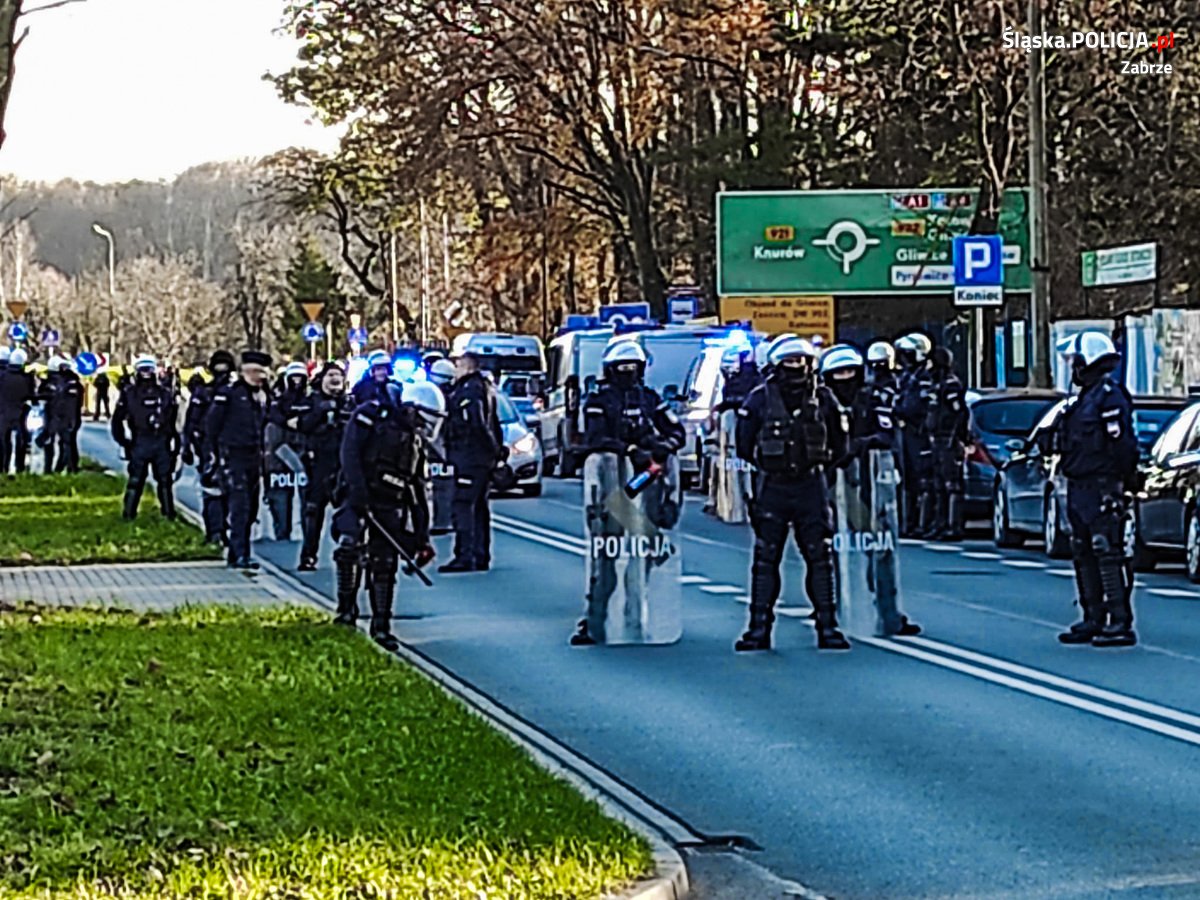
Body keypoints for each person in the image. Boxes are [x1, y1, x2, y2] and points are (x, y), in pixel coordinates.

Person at [735, 336, 849, 652]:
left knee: (819, 559)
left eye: (800, 361)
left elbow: (840, 444)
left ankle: (828, 627)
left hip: (810, 487)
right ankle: (759, 629)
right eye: (789, 362)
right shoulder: (759, 400)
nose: (795, 368)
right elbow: (744, 444)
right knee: (766, 560)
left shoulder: (824, 399)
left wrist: (819, 468)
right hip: (773, 486)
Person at [571, 339, 685, 645]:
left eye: (633, 368)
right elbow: (595, 439)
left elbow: (677, 431)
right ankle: (594, 620)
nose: (628, 374)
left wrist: (665, 446)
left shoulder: (649, 399)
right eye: (622, 369)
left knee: (643, 559)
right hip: (612, 491)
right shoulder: (598, 400)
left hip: (646, 486)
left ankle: (637, 616)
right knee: (604, 560)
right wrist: (628, 449)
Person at [332, 379, 440, 649]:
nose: (425, 426)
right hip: (358, 495)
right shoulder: (371, 415)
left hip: (390, 503)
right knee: (349, 548)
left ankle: (381, 625)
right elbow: (349, 453)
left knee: (384, 564)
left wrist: (422, 537)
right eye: (424, 418)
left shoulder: (414, 444)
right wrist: (357, 493)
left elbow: (417, 489)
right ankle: (345, 611)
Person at [822, 344, 920, 637]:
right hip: (831, 484)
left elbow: (887, 434)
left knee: (881, 549)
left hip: (872, 483)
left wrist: (860, 445)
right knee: (830, 550)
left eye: (850, 371)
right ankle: (832, 611)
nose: (845, 378)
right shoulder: (819, 403)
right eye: (838, 373)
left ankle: (888, 612)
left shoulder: (872, 399)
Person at [1053, 332, 1138, 647]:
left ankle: (1119, 621)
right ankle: (1092, 617)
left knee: (1106, 551)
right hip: (1079, 484)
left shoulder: (1109, 397)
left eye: (1075, 361)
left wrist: (1123, 482)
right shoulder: (1082, 399)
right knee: (1082, 550)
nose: (1073, 369)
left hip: (1102, 485)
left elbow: (1122, 445)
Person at [439, 351, 505, 573]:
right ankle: (480, 554)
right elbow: (494, 423)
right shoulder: (485, 388)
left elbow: (477, 423)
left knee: (463, 505)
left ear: (468, 367)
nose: (454, 371)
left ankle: (465, 555)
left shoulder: (470, 390)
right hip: (478, 458)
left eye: (458, 366)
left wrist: (492, 451)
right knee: (479, 507)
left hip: (470, 456)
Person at [206, 351, 272, 570]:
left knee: (251, 508)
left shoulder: (264, 396)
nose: (257, 377)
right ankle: (240, 554)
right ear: (243, 372)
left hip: (255, 457)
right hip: (233, 456)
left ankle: (237, 553)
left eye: (261, 372)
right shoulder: (229, 394)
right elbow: (211, 425)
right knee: (240, 507)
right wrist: (212, 455)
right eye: (252, 372)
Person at [296, 361, 350, 571]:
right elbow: (302, 425)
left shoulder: (349, 402)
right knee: (313, 513)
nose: (335, 379)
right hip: (318, 464)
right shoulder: (311, 401)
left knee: (348, 512)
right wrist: (320, 412)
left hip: (344, 466)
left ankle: (348, 553)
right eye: (330, 375)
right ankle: (309, 555)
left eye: (338, 375)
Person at [111, 355, 179, 520]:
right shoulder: (129, 394)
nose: (146, 374)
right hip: (139, 441)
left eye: (149, 369)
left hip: (160, 441)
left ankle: (169, 516)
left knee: (165, 482)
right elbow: (117, 420)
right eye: (142, 370)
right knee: (135, 481)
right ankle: (128, 515)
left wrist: (175, 445)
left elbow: (173, 421)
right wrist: (125, 442)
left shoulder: (165, 394)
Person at [182, 350, 236, 545]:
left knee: (234, 494)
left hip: (234, 449)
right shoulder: (203, 393)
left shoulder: (237, 392)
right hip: (209, 449)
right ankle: (215, 531)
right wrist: (186, 446)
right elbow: (191, 422)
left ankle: (225, 530)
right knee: (212, 492)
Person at [919, 347, 969, 541]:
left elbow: (959, 413)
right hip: (935, 440)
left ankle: (953, 526)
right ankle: (939, 524)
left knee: (952, 485)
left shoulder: (951, 386)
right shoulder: (936, 385)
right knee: (938, 485)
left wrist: (957, 438)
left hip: (947, 440)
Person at [893, 333, 934, 538]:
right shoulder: (909, 376)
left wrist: (900, 408)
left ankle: (922, 522)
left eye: (908, 355)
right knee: (906, 479)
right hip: (907, 433)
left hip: (920, 433)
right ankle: (907, 522)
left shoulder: (925, 377)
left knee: (923, 480)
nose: (904, 360)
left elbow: (913, 406)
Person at [264, 361, 310, 541]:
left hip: (305, 453)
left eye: (301, 378)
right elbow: (271, 421)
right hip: (280, 454)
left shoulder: (310, 400)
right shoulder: (277, 402)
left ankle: (307, 533)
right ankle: (282, 532)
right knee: (281, 498)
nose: (297, 382)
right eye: (294, 378)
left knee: (308, 500)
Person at [427, 357, 458, 535]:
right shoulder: (428, 394)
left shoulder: (455, 398)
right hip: (435, 447)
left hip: (444, 448)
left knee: (444, 487)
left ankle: (442, 521)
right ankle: (440, 521)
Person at [43, 356, 83, 472]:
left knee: (62, 443)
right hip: (68, 417)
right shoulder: (73, 381)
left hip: (57, 416)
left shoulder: (54, 382)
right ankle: (68, 468)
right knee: (67, 443)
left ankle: (56, 468)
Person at [0, 348, 33, 474]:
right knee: (22, 441)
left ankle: (3, 468)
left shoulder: (3, 376)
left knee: (3, 441)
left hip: (2, 413)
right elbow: (31, 395)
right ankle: (20, 468)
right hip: (21, 414)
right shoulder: (26, 377)